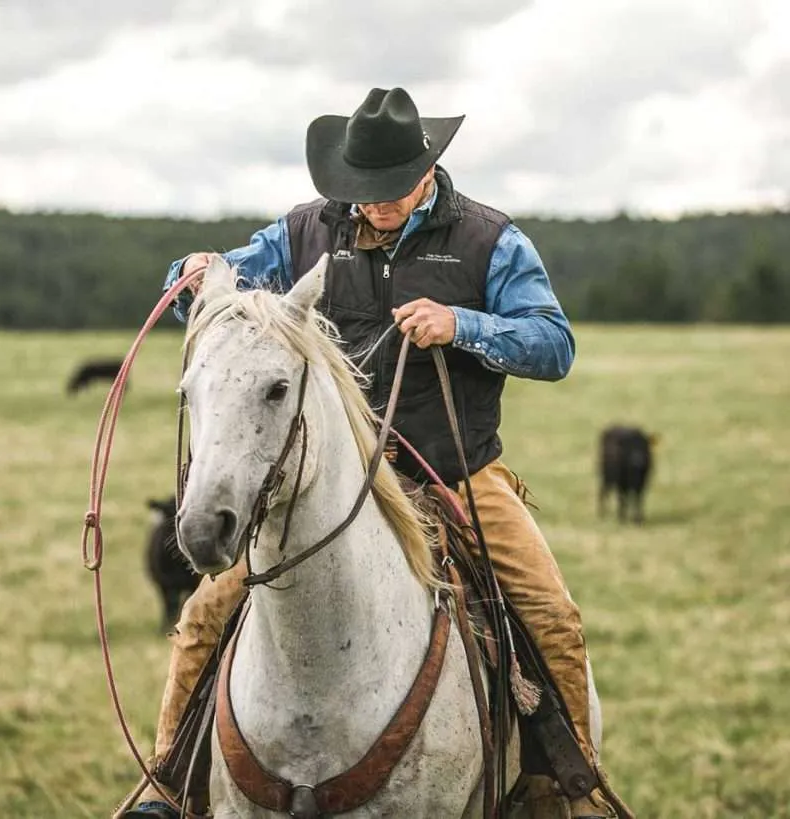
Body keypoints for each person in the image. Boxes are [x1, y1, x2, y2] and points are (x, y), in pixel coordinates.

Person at [124, 87, 624, 819]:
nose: (374, 206)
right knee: (205, 615)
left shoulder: (490, 240)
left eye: (389, 193)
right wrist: (192, 273)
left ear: (426, 172)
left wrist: (462, 323)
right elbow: (223, 284)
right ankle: (166, 784)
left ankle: (569, 792)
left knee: (552, 615)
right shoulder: (303, 231)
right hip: (331, 476)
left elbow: (555, 343)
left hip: (455, 470)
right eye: (360, 193)